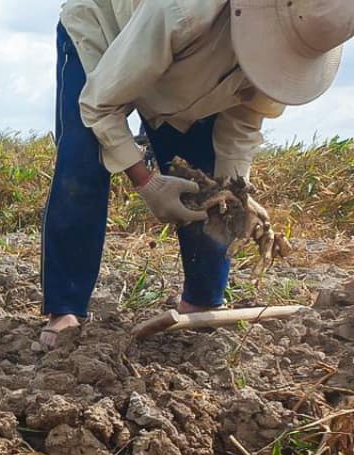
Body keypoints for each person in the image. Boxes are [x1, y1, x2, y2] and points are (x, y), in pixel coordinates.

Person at [40, 0, 354, 348]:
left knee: (211, 194)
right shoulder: (183, 11)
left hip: (185, 88)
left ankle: (201, 303)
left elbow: (243, 124)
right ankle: (66, 308)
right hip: (106, 37)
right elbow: (99, 105)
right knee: (82, 162)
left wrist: (236, 193)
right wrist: (147, 182)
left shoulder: (302, 37)